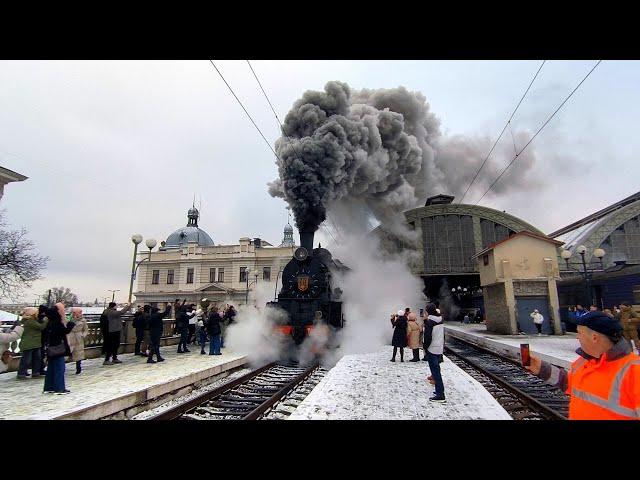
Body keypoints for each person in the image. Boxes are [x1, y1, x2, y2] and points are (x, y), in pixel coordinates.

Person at [524, 311, 640, 419]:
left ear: (594, 337)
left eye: (579, 333)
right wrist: (541, 368)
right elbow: (569, 383)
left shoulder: (635, 371)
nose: (577, 337)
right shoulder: (584, 362)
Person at [44, 305, 75, 394]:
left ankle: (49, 387)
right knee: (59, 368)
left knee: (51, 369)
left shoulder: (49, 322)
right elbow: (64, 331)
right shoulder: (57, 322)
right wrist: (70, 324)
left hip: (51, 347)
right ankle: (59, 388)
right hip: (58, 348)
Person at [17, 307, 47, 379]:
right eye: (36, 313)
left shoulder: (31, 320)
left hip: (34, 343)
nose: (37, 314)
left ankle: (35, 372)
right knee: (27, 359)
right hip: (29, 343)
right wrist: (46, 320)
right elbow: (41, 327)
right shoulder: (30, 321)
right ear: (32, 314)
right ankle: (22, 373)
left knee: (36, 358)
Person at [424, 303, 446, 402]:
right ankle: (439, 390)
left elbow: (428, 337)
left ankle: (440, 394)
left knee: (435, 372)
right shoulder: (440, 320)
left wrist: (425, 347)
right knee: (437, 370)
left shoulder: (430, 322)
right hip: (439, 347)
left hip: (432, 348)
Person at [67, 307, 88, 374]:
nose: (74, 314)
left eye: (76, 313)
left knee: (78, 353)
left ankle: (78, 368)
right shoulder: (69, 319)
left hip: (79, 338)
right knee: (69, 352)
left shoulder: (83, 320)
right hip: (70, 336)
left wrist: (83, 335)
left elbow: (86, 329)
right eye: (73, 313)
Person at [37, 305, 48, 375]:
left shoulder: (38, 317)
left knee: (40, 354)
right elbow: (43, 327)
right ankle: (40, 369)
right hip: (42, 338)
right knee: (41, 355)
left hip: (40, 338)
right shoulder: (44, 319)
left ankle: (39, 369)